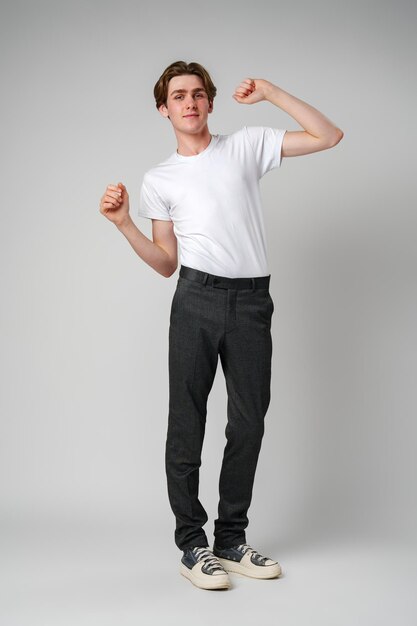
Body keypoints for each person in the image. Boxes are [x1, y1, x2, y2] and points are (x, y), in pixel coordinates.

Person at [99, 60, 343, 590]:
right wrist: (124, 225)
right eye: (178, 96)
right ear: (164, 109)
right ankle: (193, 544)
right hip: (196, 298)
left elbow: (329, 136)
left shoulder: (246, 146)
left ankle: (231, 540)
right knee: (187, 426)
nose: (190, 102)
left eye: (198, 94)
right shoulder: (159, 179)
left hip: (253, 302)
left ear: (210, 102)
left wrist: (273, 90)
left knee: (248, 422)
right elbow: (166, 262)